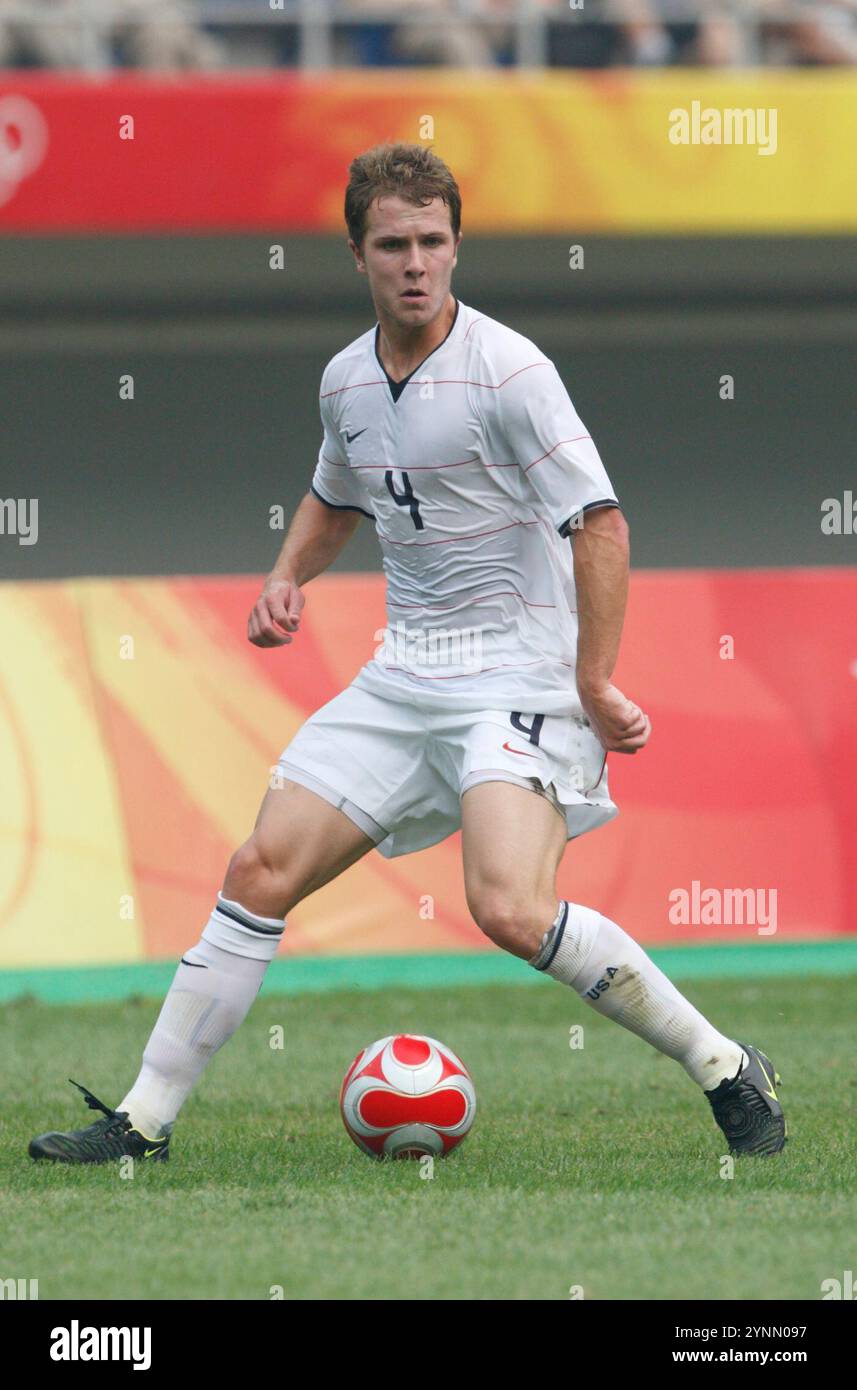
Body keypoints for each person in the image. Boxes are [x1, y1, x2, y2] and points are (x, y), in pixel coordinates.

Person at [29, 142, 786, 1165]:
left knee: (508, 909)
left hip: (514, 673)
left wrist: (593, 679)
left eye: (433, 242)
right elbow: (338, 495)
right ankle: (143, 1123)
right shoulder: (344, 379)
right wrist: (286, 574)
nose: (416, 263)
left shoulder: (512, 372)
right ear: (358, 254)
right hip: (402, 673)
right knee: (258, 870)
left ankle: (724, 1066)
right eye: (394, 245)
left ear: (456, 246)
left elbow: (599, 523)